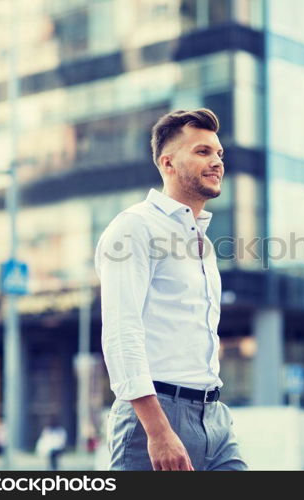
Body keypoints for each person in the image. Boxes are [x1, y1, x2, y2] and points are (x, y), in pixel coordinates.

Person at [95, 108, 247, 471]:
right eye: (202, 152)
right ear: (168, 163)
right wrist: (158, 430)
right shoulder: (134, 228)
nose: (216, 161)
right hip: (156, 417)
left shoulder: (202, 243)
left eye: (219, 153)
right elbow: (121, 332)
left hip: (214, 418)